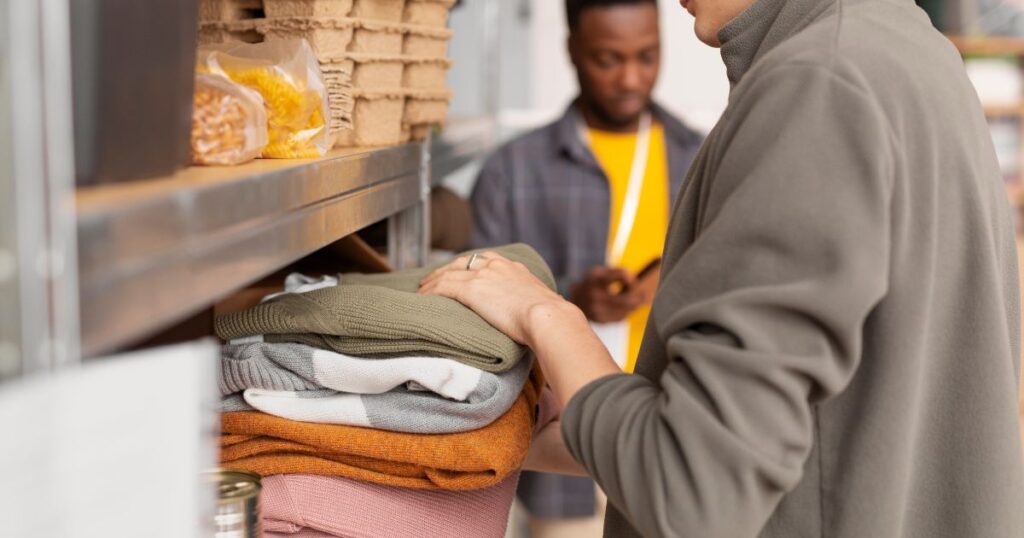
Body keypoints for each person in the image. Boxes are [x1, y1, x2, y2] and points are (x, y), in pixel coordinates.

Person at [422, 0, 1024, 535]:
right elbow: (818, 427)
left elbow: (691, 488)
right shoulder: (907, 45)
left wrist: (544, 314)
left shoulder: (820, 85)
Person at [468, 0, 703, 528]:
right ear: (572, 50)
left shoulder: (700, 161)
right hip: (563, 458)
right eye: (607, 59)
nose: (631, 78)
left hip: (668, 444)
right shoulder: (512, 172)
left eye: (648, 55)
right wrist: (569, 302)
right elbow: (474, 330)